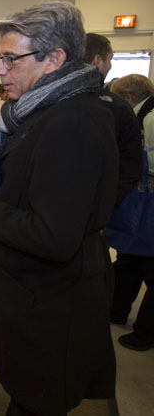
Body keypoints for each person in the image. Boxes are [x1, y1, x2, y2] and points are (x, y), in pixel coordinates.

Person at [0, 2, 118, 415]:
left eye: (10, 59)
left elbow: (52, 237)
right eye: (0, 57)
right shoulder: (44, 112)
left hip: (52, 309)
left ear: (54, 59)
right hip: (38, 296)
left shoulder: (73, 122)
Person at [104, 73, 154, 351]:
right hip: (141, 201)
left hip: (148, 203)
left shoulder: (150, 117)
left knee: (149, 266)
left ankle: (146, 332)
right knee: (129, 260)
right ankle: (116, 310)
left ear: (129, 99)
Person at [84, 33, 142, 205]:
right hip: (100, 208)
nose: (110, 66)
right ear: (97, 61)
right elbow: (130, 166)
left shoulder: (49, 101)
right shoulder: (116, 107)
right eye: (110, 59)